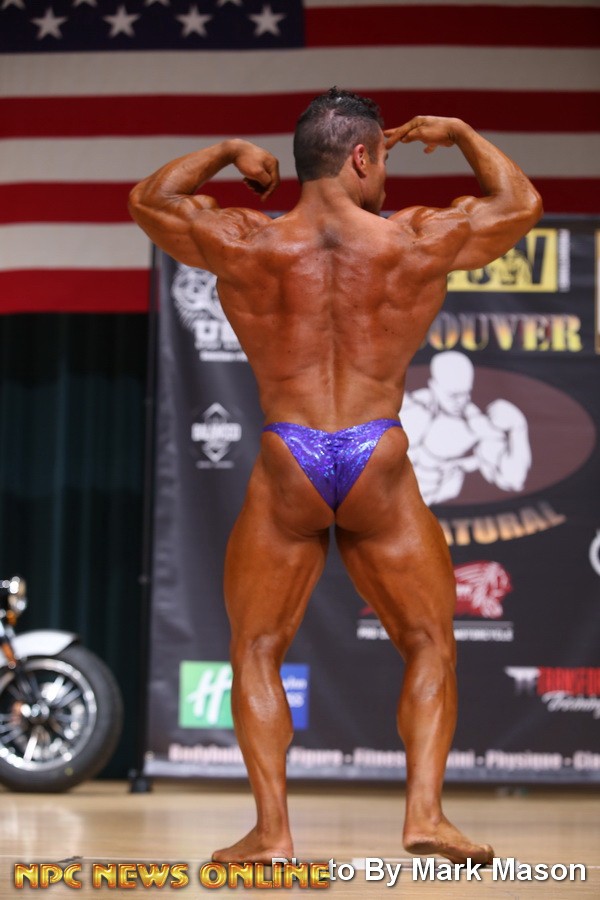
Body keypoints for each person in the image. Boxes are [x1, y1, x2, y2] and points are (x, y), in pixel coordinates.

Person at [129, 89, 542, 866]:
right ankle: (425, 816)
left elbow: (148, 200)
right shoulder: (415, 238)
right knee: (430, 643)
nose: (385, 177)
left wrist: (226, 151)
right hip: (374, 453)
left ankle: (272, 834)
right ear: (361, 157)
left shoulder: (247, 239)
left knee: (256, 648)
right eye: (382, 160)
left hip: (290, 455)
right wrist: (460, 134)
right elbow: (520, 203)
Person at [402, 350, 531, 504]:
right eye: (453, 395)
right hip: (393, 502)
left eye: (466, 393)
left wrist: (518, 429)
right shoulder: (409, 405)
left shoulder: (476, 427)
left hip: (434, 501)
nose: (461, 401)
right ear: (434, 386)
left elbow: (514, 480)